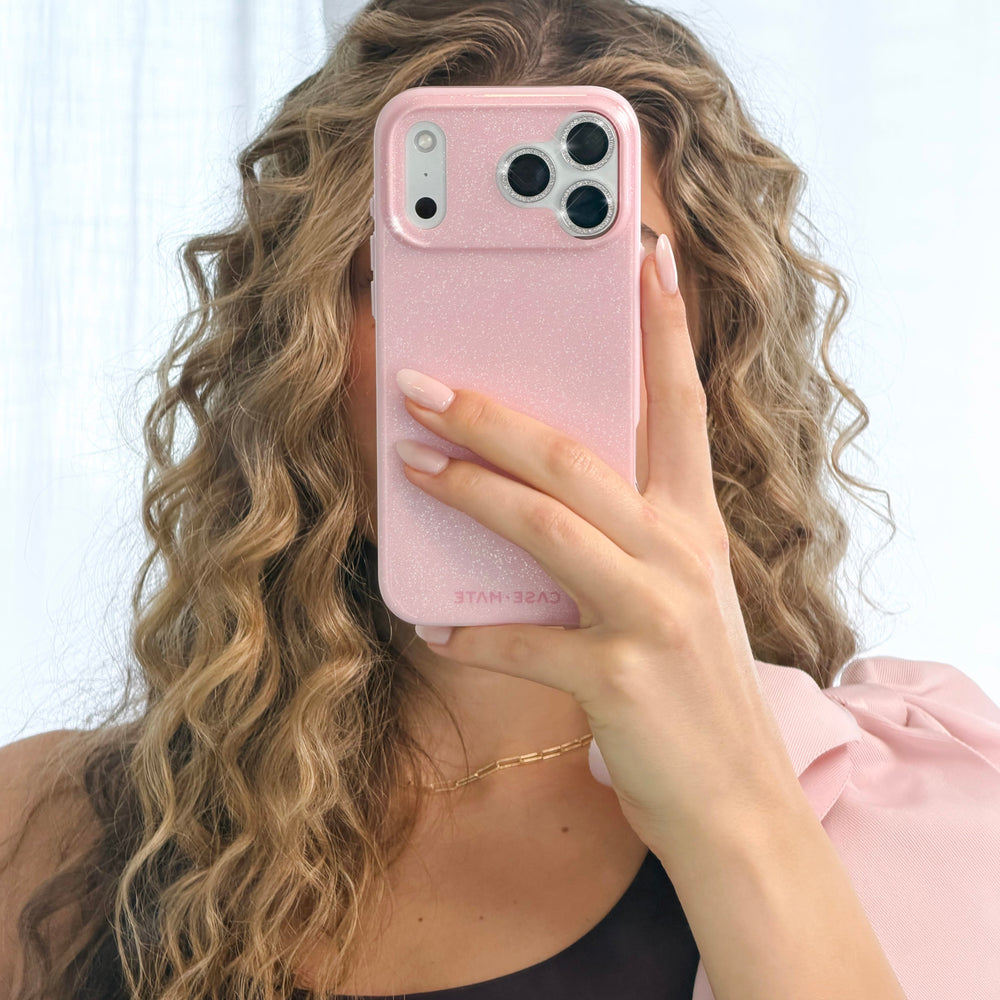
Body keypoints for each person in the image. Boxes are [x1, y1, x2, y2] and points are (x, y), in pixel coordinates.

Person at [2, 1, 999, 999]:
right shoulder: (41, 839)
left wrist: (733, 805)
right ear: (296, 353)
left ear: (711, 344)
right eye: (402, 281)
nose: (500, 385)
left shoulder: (925, 805)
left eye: (590, 280)